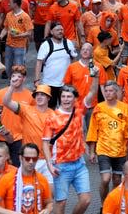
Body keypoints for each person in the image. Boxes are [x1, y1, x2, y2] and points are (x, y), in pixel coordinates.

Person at [42, 79, 98, 214]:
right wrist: (49, 165)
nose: (66, 99)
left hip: (79, 164)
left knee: (86, 200)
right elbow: (45, 142)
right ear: (60, 98)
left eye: (69, 96)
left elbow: (92, 92)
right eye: (63, 96)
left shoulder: (78, 111)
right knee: (61, 203)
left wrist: (95, 76)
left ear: (74, 98)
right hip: (61, 166)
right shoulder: (52, 117)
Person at [87, 81, 128, 205]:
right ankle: (103, 204)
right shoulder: (99, 108)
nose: (108, 93)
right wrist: (92, 151)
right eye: (106, 91)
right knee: (105, 179)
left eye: (111, 91)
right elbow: (93, 130)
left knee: (116, 180)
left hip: (120, 150)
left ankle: (113, 205)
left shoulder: (124, 108)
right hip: (103, 149)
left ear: (116, 92)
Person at [0, 143, 53, 214]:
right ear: (21, 158)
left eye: (34, 159)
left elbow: (49, 203)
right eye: (27, 159)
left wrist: (47, 210)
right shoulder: (8, 178)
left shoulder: (42, 179)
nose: (31, 162)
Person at [0, 65, 33, 166]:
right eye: (14, 76)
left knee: (17, 167)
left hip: (20, 138)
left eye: (19, 76)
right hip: (1, 137)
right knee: (0, 167)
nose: (16, 79)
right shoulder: (1, 93)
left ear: (24, 79)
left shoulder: (30, 96)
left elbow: (32, 117)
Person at [35, 21, 77, 109]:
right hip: (49, 83)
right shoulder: (46, 45)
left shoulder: (68, 43)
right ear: (51, 32)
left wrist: (75, 77)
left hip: (65, 83)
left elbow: (73, 60)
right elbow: (39, 62)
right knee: (50, 108)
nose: (60, 31)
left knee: (66, 107)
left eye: (61, 29)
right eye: (57, 30)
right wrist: (37, 80)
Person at [0, 0, 32, 78]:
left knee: (19, 68)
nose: (8, 4)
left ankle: (18, 85)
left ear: (16, 4)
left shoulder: (25, 16)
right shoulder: (8, 15)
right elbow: (6, 28)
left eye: (10, 3)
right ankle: (12, 82)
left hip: (20, 47)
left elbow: (29, 32)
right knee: (7, 67)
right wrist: (1, 35)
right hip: (8, 45)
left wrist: (18, 35)